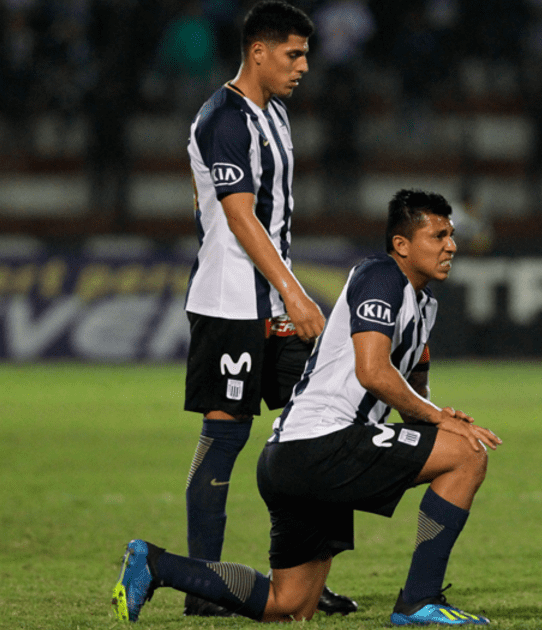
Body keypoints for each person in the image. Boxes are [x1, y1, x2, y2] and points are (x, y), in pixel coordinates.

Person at [112, 189, 501, 625]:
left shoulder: (423, 303)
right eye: (439, 235)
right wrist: (439, 422)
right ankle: (419, 601)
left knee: (289, 606)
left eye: (451, 235)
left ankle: (156, 564)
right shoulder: (381, 276)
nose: (451, 245)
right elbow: (372, 372)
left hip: (292, 459)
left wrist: (440, 418)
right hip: (321, 443)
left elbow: (409, 400)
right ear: (402, 245)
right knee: (468, 457)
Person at [178, 1, 352, 617]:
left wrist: (286, 295)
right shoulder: (225, 118)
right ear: (258, 51)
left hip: (272, 303)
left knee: (323, 429)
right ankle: (203, 589)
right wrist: (298, 294)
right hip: (230, 307)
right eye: (294, 53)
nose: (304, 65)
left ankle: (305, 576)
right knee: (224, 440)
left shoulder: (272, 114)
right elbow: (238, 216)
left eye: (306, 53)